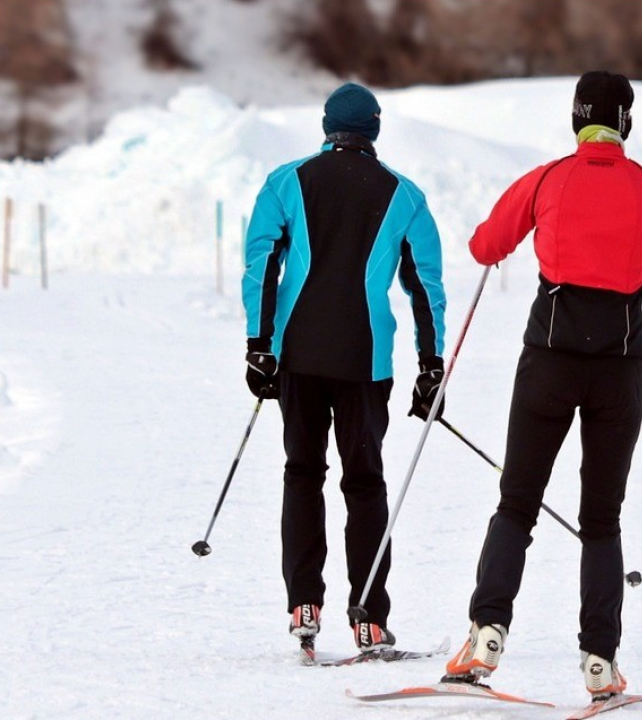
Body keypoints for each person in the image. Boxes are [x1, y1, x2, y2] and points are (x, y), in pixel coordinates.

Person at [443, 71, 642, 698]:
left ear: (576, 119)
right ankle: (600, 660)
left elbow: (485, 246)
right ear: (625, 122)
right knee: (602, 518)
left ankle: (486, 633)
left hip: (548, 361)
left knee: (517, 501)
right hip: (620, 370)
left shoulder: (546, 179)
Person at [241, 82, 447, 659]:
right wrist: (432, 366)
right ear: (374, 129)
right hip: (365, 361)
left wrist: (259, 346)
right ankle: (369, 619)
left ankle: (303, 603)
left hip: (298, 356)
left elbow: (262, 265)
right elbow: (425, 289)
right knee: (364, 484)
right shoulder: (404, 195)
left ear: (327, 126)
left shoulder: (285, 181)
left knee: (302, 472)